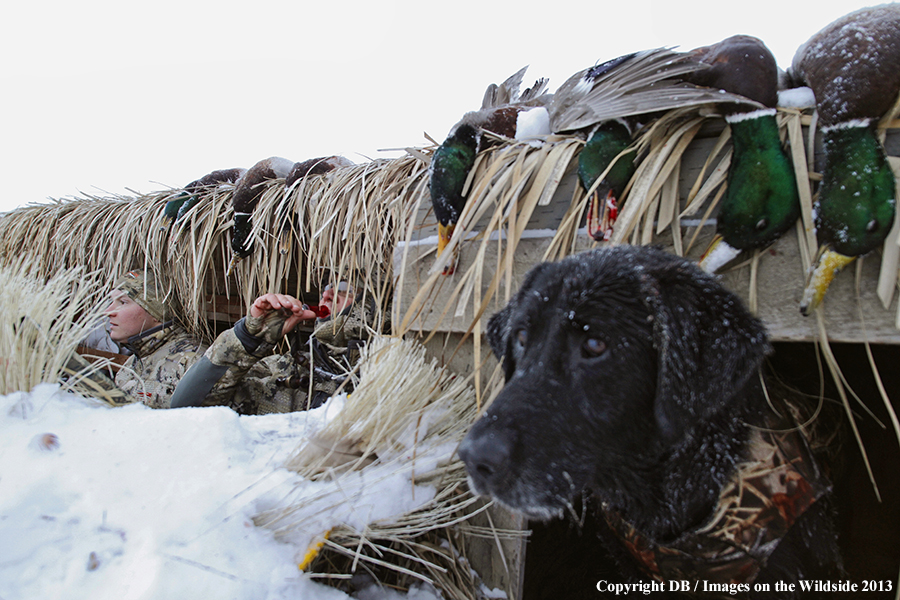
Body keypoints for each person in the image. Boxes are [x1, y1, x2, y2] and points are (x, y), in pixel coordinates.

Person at [170, 278, 374, 414]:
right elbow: (186, 410)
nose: (326, 295)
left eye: (344, 287)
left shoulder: (398, 371)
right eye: (326, 287)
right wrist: (248, 336)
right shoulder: (279, 369)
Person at [103, 269, 208, 408]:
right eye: (111, 301)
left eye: (123, 302)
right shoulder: (131, 364)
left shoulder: (194, 361)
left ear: (156, 312)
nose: (108, 311)